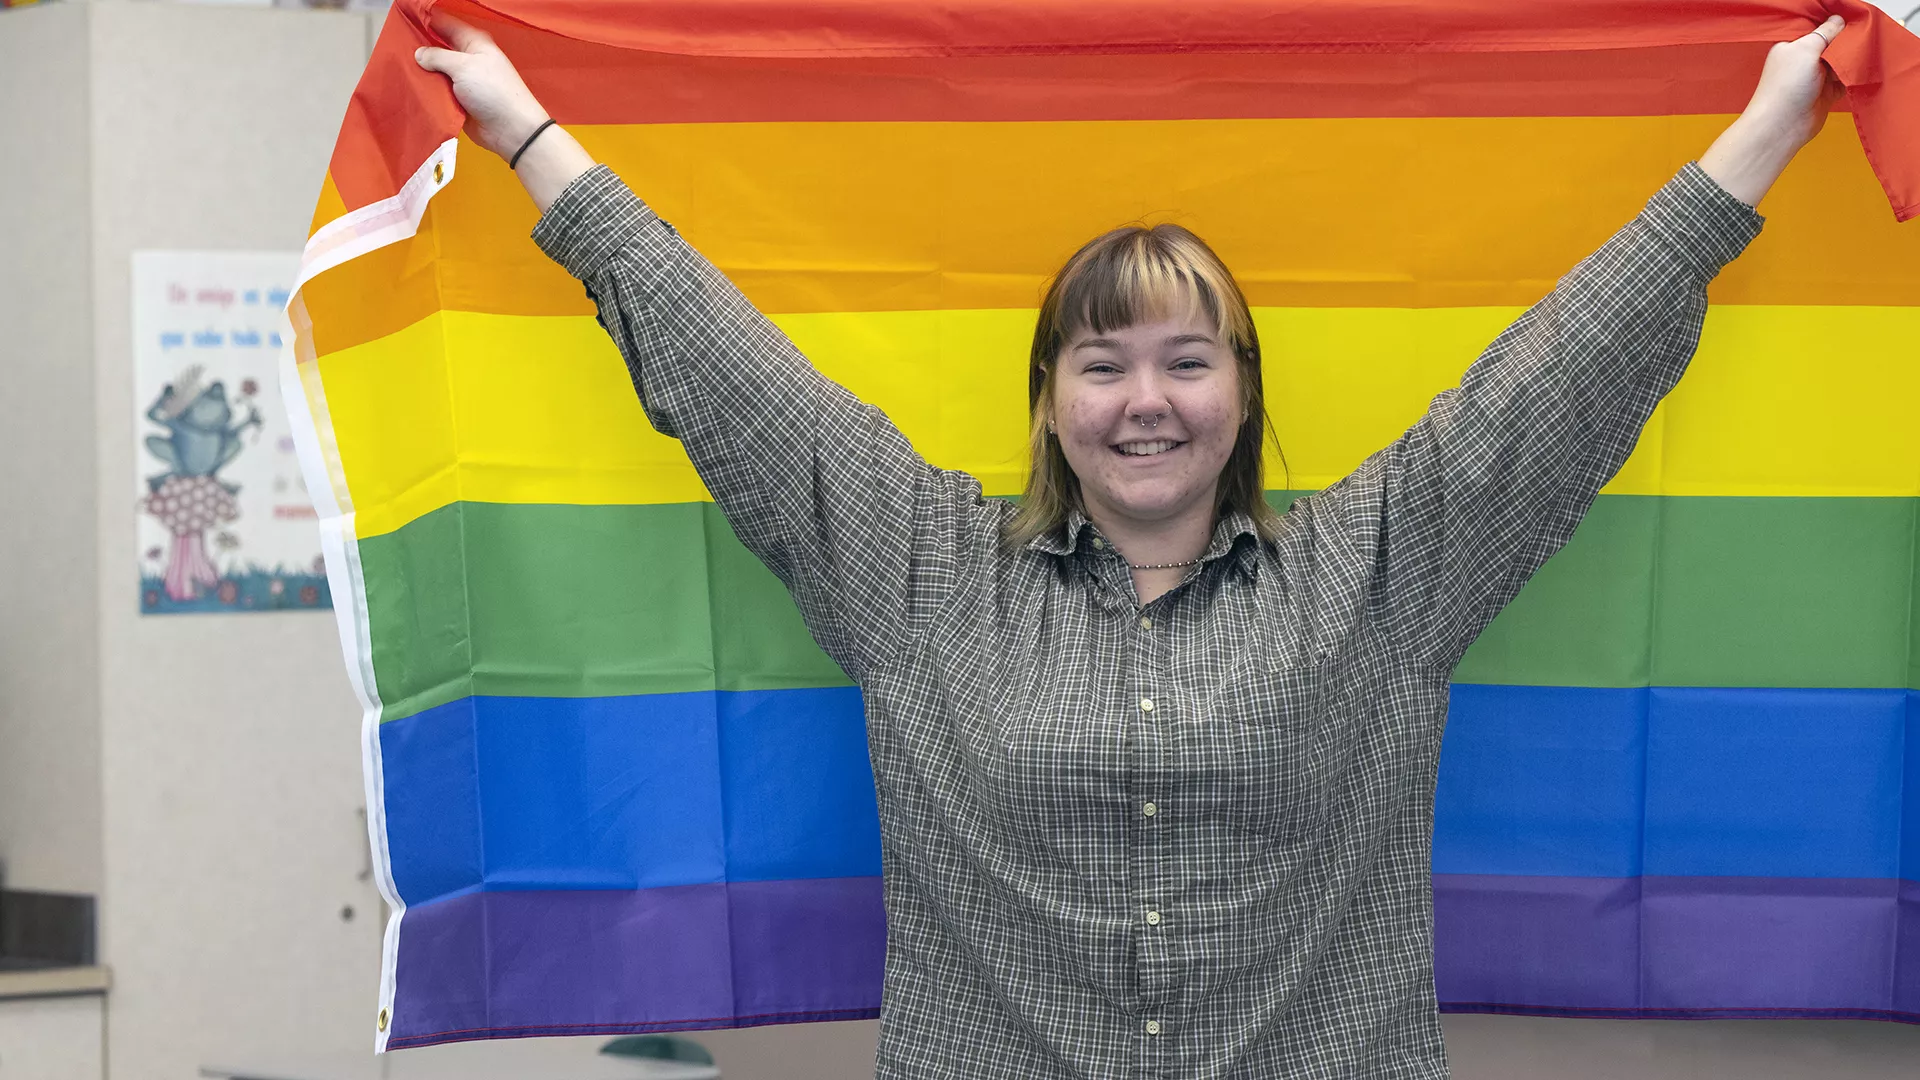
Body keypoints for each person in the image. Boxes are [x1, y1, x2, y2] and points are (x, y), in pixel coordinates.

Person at [416, 13, 1848, 1078]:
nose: (1146, 402)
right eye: (1101, 366)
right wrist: (527, 130)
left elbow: (1567, 371)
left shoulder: (1380, 574)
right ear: (1047, 404)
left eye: (1188, 361)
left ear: (1243, 394)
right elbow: (721, 359)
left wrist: (1781, 115)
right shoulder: (919, 569)